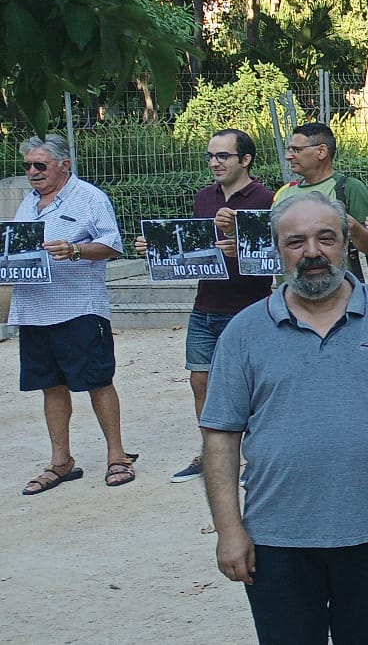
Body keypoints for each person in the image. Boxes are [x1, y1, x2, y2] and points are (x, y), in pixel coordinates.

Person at [198, 191, 368, 643]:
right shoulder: (245, 331)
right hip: (276, 536)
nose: (312, 253)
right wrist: (229, 530)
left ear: (346, 242)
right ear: (276, 250)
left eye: (326, 238)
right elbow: (220, 438)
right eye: (295, 242)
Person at [133, 129, 276, 484]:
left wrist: (241, 241)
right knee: (200, 380)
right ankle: (213, 453)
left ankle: (256, 458)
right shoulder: (203, 197)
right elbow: (196, 248)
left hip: (249, 305)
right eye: (211, 156)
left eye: (223, 156)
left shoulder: (268, 199)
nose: (215, 162)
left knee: (253, 386)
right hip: (205, 305)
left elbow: (277, 253)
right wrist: (157, 249)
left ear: (245, 160)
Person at [13, 134, 135, 495]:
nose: (33, 173)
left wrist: (76, 250)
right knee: (50, 385)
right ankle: (61, 461)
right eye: (28, 167)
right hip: (35, 310)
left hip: (79, 308)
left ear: (64, 165)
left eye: (40, 165)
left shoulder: (90, 197)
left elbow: (113, 245)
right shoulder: (28, 203)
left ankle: (117, 456)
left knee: (97, 381)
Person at [274, 122, 368, 270]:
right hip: (289, 289)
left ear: (321, 151)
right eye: (289, 149)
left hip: (336, 288)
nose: (288, 156)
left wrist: (352, 226)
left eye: (296, 150)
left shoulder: (348, 188)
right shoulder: (283, 193)